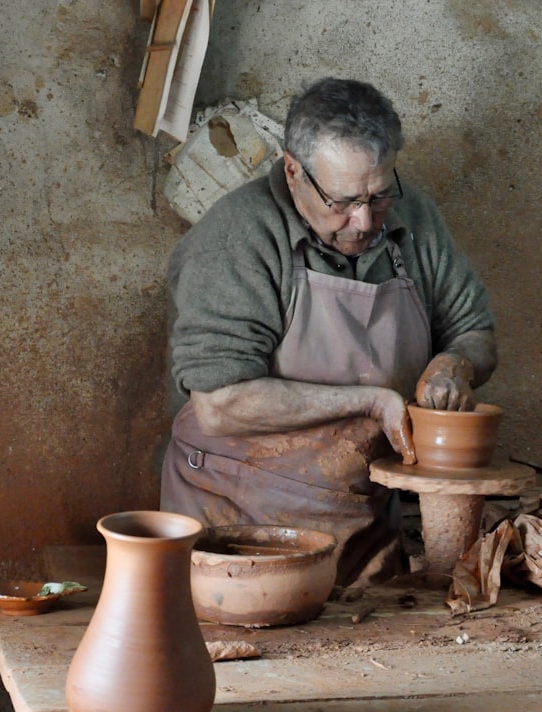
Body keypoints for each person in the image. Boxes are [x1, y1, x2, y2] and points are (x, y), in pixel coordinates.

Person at [160, 77, 497, 586]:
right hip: (240, 521)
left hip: (362, 514)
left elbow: (473, 329)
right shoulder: (236, 240)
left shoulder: (416, 220)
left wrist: (457, 363)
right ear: (294, 171)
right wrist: (368, 402)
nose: (363, 221)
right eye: (341, 202)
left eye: (378, 196)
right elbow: (220, 404)